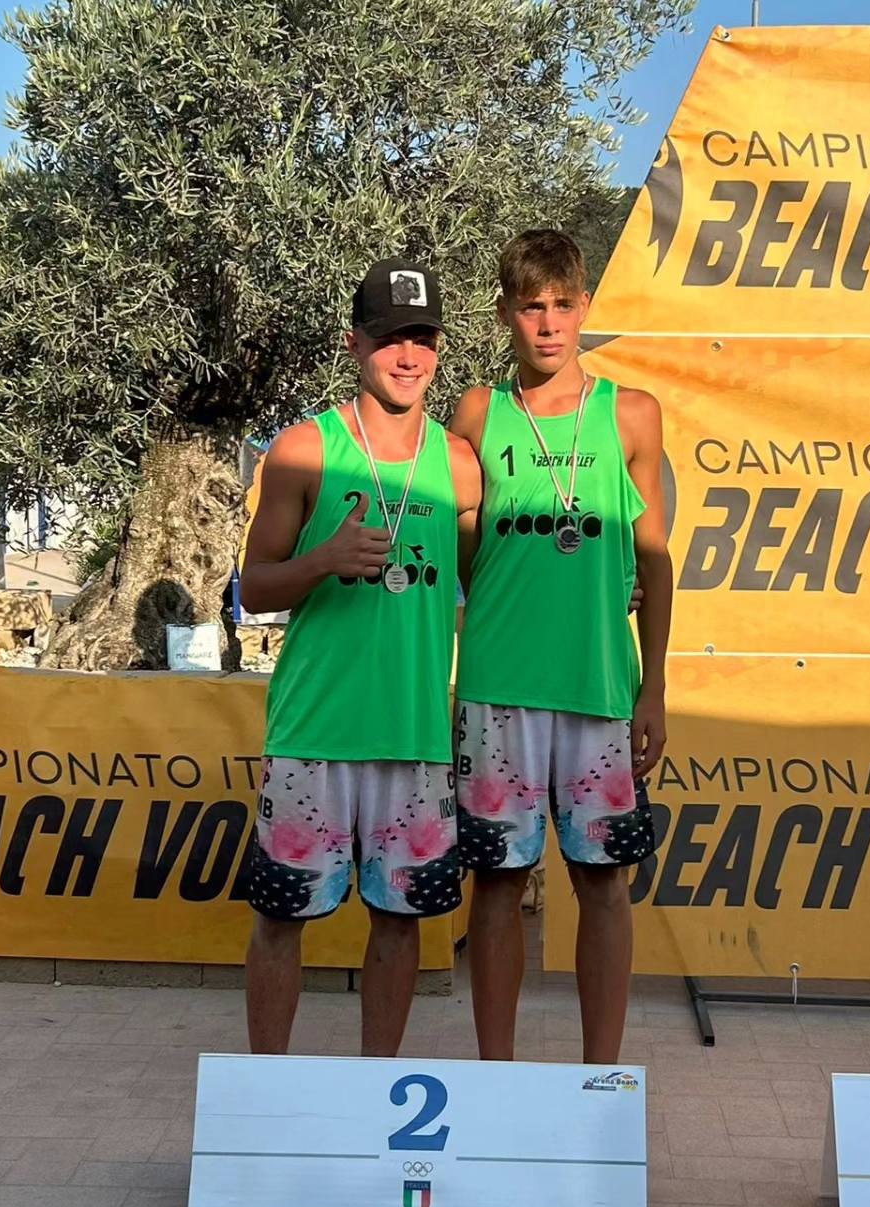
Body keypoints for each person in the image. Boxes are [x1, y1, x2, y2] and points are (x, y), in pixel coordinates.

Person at [240, 258, 480, 1056]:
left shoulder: (460, 465)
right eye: (389, 339)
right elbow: (254, 587)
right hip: (315, 732)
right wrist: (323, 561)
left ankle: (379, 1088)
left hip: (414, 736)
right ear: (354, 344)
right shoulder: (305, 449)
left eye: (423, 339)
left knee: (401, 924)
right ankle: (267, 1087)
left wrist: (611, 587)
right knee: (281, 921)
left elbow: (490, 581)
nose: (408, 356)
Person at [450, 229, 672, 1065]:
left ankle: (600, 1078)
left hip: (598, 686)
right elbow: (466, 553)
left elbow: (654, 557)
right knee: (499, 882)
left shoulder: (632, 413)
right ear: (505, 314)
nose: (547, 324)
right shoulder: (478, 413)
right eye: (529, 307)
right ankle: (496, 1075)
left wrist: (654, 688)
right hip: (499, 686)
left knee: (603, 881)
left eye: (561, 305)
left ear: (584, 307)